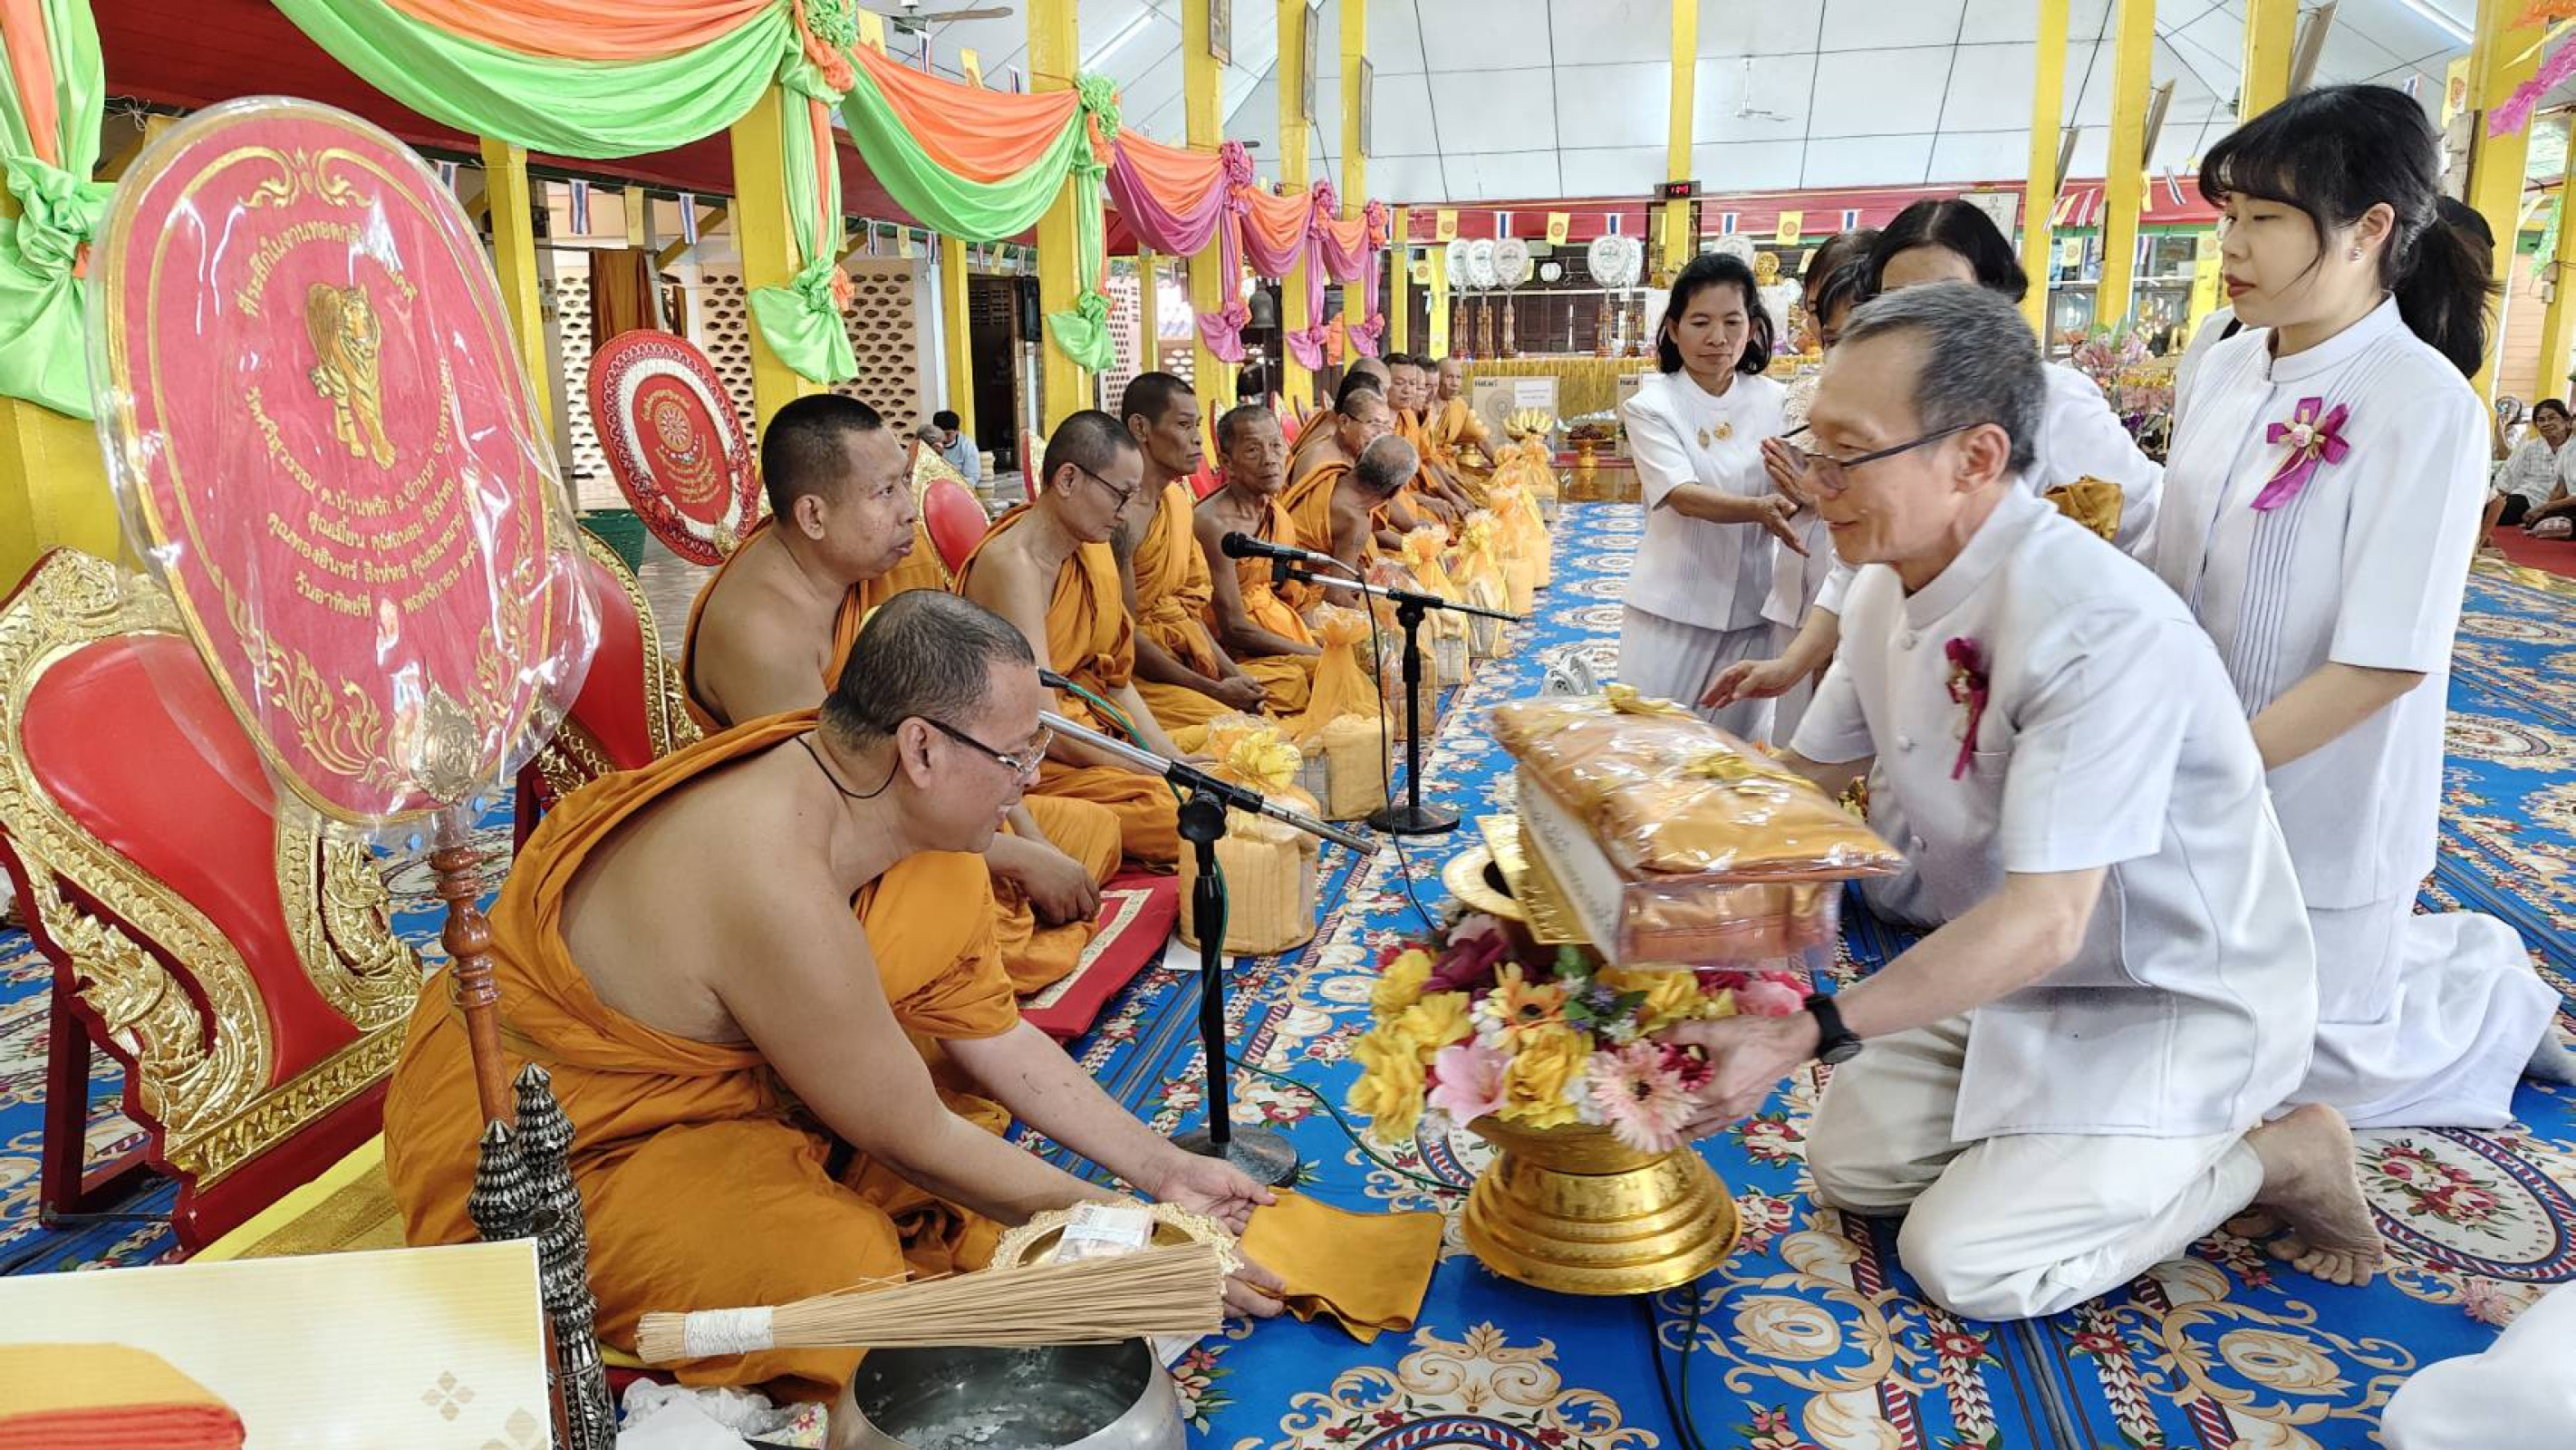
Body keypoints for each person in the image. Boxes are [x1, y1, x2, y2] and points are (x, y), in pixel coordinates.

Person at [1670, 283, 2380, 1322]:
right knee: (1851, 1163)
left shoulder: (2092, 623)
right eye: (1807, 443)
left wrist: (1804, 1028)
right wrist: (1632, 852)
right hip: (2024, 983)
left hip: (2168, 994)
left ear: (1974, 457)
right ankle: (2071, 1147)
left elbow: (2048, 917)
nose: (1812, 480)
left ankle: (2274, 1155)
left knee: (1966, 1264)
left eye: (1844, 452)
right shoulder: (1880, 581)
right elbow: (1800, 793)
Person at [385, 593, 1286, 1399]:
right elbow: (913, 1138)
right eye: (1017, 756)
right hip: (559, 1150)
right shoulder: (771, 874)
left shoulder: (890, 814)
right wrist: (1139, 1238)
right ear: (920, 748)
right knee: (847, 1261)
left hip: (728, 1095)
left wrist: (1159, 1171)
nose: (1033, 783)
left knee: (962, 1147)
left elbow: (993, 1035)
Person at [2155, 84, 2566, 1145]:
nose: (2230, 245)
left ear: (2369, 229)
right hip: (2195, 758)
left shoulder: (2419, 403)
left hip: (2315, 784)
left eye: (2264, 219)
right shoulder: (2224, 358)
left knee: (2298, 1080)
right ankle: (2443, 961)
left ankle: (2487, 993)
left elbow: (2384, 660)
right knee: (2168, 1023)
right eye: (2227, 216)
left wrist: (2217, 771)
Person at [679, 394, 1121, 994]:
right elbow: (828, 812)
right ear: (812, 515)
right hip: (822, 848)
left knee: (1094, 832)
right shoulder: (762, 634)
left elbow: (968, 715)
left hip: (925, 796)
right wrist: (1014, 858)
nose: (907, 512)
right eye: (884, 492)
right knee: (970, 913)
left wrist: (1029, 840)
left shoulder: (875, 569)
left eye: (904, 485)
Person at [959, 411, 1192, 865]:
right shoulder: (1013, 567)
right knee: (1179, 816)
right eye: (1119, 496)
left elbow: (1118, 679)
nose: (1125, 515)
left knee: (1218, 772)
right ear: (1067, 479)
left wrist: (1173, 757)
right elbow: (1047, 726)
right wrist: (1160, 771)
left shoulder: (1093, 551)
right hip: (1033, 756)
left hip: (1095, 730)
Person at [1617, 251, 1803, 739]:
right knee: (1650, 749)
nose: (1717, 339)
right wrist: (1759, 510)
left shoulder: (1780, 403)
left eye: (1731, 322)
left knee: (1732, 759)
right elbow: (1681, 493)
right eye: (1700, 322)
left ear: (1754, 328)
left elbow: (1804, 483)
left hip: (1753, 611)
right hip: (1670, 611)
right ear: (1674, 329)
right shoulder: (1651, 405)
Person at [1755, 232, 1875, 743]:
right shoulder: (1810, 390)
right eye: (1821, 323)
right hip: (1810, 567)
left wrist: (1822, 492)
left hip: (1861, 583)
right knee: (1796, 728)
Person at [1114, 372, 1276, 740]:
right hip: (1140, 674)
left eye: (1198, 425)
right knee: (1247, 737)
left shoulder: (1175, 501)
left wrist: (1232, 673)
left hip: (1190, 654)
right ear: (1141, 427)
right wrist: (1214, 690)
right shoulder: (1117, 516)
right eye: (1184, 425)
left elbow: (1187, 607)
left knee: (1282, 692)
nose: (1198, 438)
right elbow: (1123, 637)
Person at [1194, 404, 1321, 703]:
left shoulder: (1275, 512)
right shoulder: (1215, 525)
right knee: (1303, 681)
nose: (1271, 460)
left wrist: (1322, 637)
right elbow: (1234, 629)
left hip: (1279, 633)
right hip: (1236, 655)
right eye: (1253, 450)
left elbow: (1291, 594)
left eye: (1276, 445)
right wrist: (1314, 652)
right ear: (1228, 462)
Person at [1284, 430, 1417, 578]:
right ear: (1395, 491)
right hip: (1294, 584)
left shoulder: (1329, 473)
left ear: (1359, 457)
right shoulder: (1355, 522)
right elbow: (1336, 596)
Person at [2487, 398, 2570, 544]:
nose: (2546, 424)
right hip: (2527, 498)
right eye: (2541, 420)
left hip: (2560, 504)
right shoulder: (2529, 447)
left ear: (2565, 421)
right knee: (2497, 512)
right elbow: (2508, 478)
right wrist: (2495, 501)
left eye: (2552, 418)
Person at [932, 409, 981, 487]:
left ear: (957, 430)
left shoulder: (967, 446)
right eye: (940, 433)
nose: (943, 438)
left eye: (948, 434)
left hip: (957, 490)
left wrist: (949, 482)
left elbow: (972, 479)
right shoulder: (929, 442)